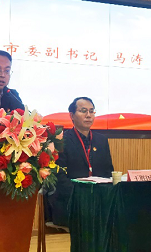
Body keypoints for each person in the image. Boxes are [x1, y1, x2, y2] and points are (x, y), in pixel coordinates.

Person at [45, 97, 114, 227]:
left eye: (91, 111)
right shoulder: (61, 141)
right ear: (72, 115)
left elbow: (108, 172)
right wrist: (82, 196)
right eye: (83, 111)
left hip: (98, 203)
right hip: (71, 203)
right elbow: (58, 177)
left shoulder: (101, 140)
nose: (88, 115)